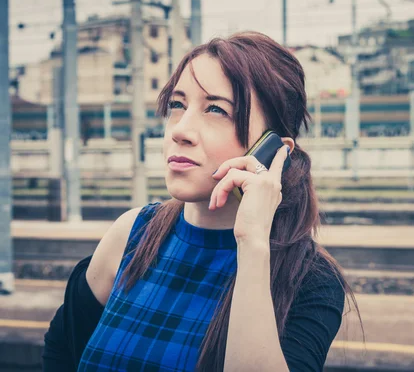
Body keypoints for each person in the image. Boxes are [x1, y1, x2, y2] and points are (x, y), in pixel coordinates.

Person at [42, 31, 361, 372]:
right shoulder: (131, 233)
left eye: (215, 109)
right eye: (177, 105)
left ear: (274, 151)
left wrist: (252, 244)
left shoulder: (310, 281)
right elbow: (61, 354)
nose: (180, 130)